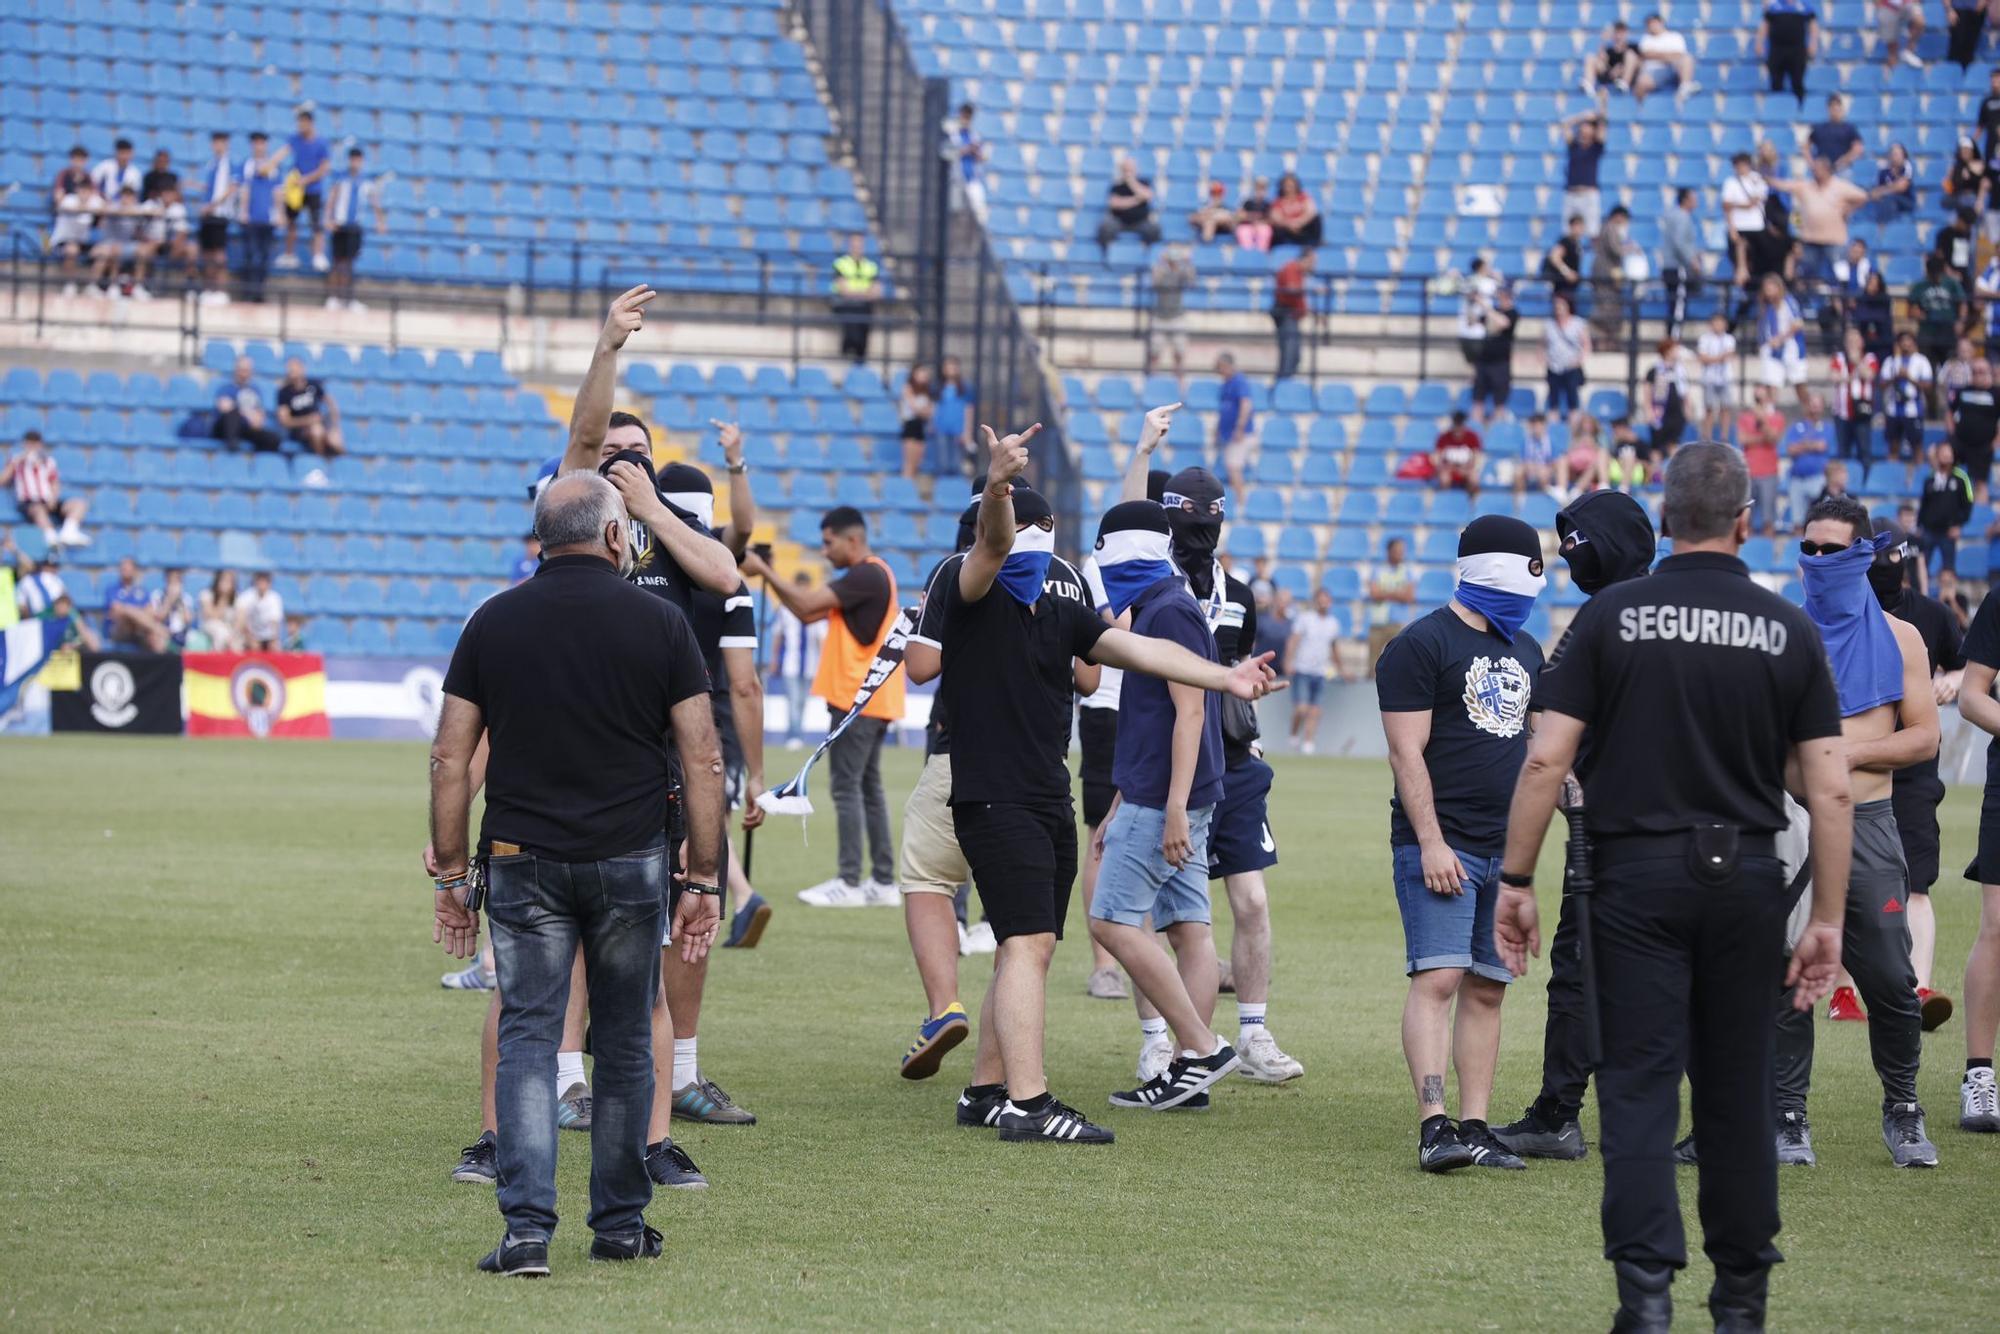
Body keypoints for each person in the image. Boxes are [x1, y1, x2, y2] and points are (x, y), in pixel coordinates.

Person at [1493, 443, 1852, 1331]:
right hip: (1748, 879)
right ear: (1745, 521)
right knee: (1737, 1093)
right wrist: (1831, 918)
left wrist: (1514, 880)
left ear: (1667, 516)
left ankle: (1646, 1298)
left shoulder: (1612, 617)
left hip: (1634, 878)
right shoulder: (1788, 628)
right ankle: (1739, 1301)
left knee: (1641, 1090)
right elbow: (1832, 785)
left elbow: (1546, 756)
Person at [936, 425, 1282, 1144]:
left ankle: (984, 1090)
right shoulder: (968, 588)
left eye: (1045, 528)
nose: (1034, 542)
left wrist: (1226, 676)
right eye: (1022, 528)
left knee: (1024, 945)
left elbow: (1142, 650)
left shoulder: (1061, 608)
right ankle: (1029, 1107)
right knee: (1028, 943)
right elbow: (994, 548)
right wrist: (999, 487)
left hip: (1046, 794)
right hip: (993, 794)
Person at [429, 470, 722, 1276]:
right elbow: (702, 757)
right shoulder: (660, 622)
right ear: (616, 535)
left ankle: (527, 1232)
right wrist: (704, 879)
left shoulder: (494, 621)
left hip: (522, 862)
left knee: (529, 1038)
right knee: (626, 1041)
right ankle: (620, 1225)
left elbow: (451, 755)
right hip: (632, 862)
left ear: (541, 540)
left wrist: (450, 871)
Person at [1377, 515, 1547, 1173]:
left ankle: (1476, 1125)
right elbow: (1404, 751)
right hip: (1442, 845)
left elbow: (1538, 750)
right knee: (1440, 976)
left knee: (1488, 987)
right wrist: (1431, 842)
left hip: (1507, 856)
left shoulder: (1528, 650)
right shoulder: (1420, 645)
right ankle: (1434, 1125)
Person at [1492, 489, 1657, 1163]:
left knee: (1580, 970)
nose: (1566, 557)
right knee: (1691, 973)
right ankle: (1724, 1119)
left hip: (1614, 837)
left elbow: (1549, 736)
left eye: (1576, 543)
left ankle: (1559, 1113)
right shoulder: (1670, 611)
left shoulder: (1601, 621)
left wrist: (1518, 871)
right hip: (1706, 838)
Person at [1776, 496, 1939, 1167]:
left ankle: (1903, 1106)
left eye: (1831, 551)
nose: (1816, 562)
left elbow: (1925, 736)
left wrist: (1844, 753)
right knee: (1784, 972)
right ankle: (1788, 1116)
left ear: (1863, 555)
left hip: (1868, 820)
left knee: (1890, 978)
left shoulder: (1902, 639)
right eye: (1807, 549)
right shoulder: (1780, 631)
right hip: (1788, 821)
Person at [1085, 501, 1241, 1110]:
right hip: (1162, 791)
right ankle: (1189, 1073)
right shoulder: (1161, 604)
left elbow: (1191, 708)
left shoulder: (1167, 610)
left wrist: (1171, 805)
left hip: (1168, 797)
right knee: (1188, 927)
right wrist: (1125, 793)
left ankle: (1200, 1046)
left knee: (1111, 922)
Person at [753, 508, 903, 908]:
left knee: (846, 787)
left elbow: (803, 604)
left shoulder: (865, 575)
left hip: (857, 699)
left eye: (828, 542)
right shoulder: (875, 576)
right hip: (872, 697)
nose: (824, 551)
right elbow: (808, 612)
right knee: (868, 788)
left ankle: (850, 882)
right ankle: (883, 882)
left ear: (852, 540)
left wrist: (765, 573)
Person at [1871, 523, 1964, 1031]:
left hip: (1914, 769)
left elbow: (1969, 666)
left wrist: (1950, 679)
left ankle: (1919, 987)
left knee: (1917, 883)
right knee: (1847, 883)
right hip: (1858, 762)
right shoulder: (1848, 614)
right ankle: (1844, 990)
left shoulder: (1931, 615)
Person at [1, 430, 89, 549]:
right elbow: (3, 480)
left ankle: (69, 531)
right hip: (29, 502)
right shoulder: (16, 461)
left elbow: (54, 482)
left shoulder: (48, 462)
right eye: (30, 444)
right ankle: (50, 536)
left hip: (47, 499)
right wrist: (16, 462)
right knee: (38, 509)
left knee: (79, 504)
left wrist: (53, 498)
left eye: (35, 444)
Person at [323, 146, 385, 312]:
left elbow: (375, 202)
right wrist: (328, 218)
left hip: (355, 227)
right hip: (339, 225)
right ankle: (333, 298)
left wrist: (380, 222)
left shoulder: (367, 182)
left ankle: (348, 299)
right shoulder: (340, 178)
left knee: (349, 263)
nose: (355, 163)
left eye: (358, 159)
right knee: (336, 262)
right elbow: (332, 198)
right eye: (353, 159)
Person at [769, 572, 824, 748]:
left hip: (810, 664)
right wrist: (775, 659)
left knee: (802, 702)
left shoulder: (816, 607)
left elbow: (821, 638)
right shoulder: (786, 609)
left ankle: (797, 734)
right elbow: (778, 636)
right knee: (793, 700)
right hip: (791, 664)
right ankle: (793, 735)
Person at [1286, 585, 1343, 753]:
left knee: (1315, 710)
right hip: (1302, 669)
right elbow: (1294, 640)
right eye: (1320, 600)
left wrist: (1341, 668)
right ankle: (1294, 735)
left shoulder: (1333, 623)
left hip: (1320, 671)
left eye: (1326, 601)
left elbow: (1334, 648)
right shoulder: (1305, 618)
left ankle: (1308, 743)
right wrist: (1289, 660)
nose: (1323, 604)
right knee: (1301, 709)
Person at [275, 107, 332, 272]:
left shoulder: (321, 143)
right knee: (291, 222)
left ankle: (318, 255)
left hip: (313, 189)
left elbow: (324, 169)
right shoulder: (295, 139)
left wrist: (306, 180)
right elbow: (282, 153)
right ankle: (289, 254)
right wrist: (270, 164)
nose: (301, 125)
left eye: (304, 122)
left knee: (316, 224)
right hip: (296, 190)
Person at [1882, 331, 1936, 488]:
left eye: (1908, 340)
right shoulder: (1891, 361)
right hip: (1893, 409)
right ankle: (1891, 480)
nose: (1905, 344)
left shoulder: (1921, 361)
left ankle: (1918, 481)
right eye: (1902, 341)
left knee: (1917, 445)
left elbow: (1928, 386)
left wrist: (1909, 378)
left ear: (1914, 343)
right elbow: (1882, 384)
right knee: (1893, 444)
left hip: (1913, 410)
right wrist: (1895, 377)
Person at [1722, 152, 1775, 311]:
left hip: (1756, 227)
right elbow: (1727, 206)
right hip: (1740, 227)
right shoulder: (1730, 183)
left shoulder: (1756, 179)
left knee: (1760, 264)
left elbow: (1759, 198)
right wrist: (1732, 226)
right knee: (1741, 253)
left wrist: (1740, 204)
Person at [1829, 327, 1880, 487]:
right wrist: (1851, 376)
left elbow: (1869, 375)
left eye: (1855, 340)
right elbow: (1833, 376)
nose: (1851, 343)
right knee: (1843, 452)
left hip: (1862, 413)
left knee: (1864, 452)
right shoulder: (1838, 358)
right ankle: (1843, 484)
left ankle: (1865, 484)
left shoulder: (1870, 358)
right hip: (1842, 413)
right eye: (1849, 340)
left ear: (1862, 342)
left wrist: (1856, 361)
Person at [90, 186, 158, 300]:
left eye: (130, 196)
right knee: (116, 249)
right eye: (125, 196)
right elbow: (102, 210)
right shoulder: (113, 207)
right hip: (110, 244)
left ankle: (138, 287)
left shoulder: (137, 209)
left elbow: (155, 211)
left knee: (143, 251)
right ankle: (113, 286)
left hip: (128, 245)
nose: (127, 199)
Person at [236, 131, 280, 303]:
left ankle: (259, 292)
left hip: (267, 219)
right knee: (251, 255)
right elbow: (244, 190)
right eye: (256, 142)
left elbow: (277, 191)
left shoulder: (273, 167)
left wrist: (279, 213)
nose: (259, 145)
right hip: (251, 218)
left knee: (264, 257)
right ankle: (248, 292)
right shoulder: (247, 165)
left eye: (262, 142)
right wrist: (244, 212)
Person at [1737, 384, 1786, 536]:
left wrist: (1762, 421)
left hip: (1769, 473)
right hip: (1749, 472)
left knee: (1768, 520)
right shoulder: (1745, 417)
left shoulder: (1777, 417)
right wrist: (1762, 438)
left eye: (1761, 397)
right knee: (1746, 519)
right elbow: (1743, 439)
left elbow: (1773, 438)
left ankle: (1767, 555)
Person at [1757, 274, 1810, 410]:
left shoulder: (1789, 302)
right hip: (1773, 352)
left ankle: (1809, 414)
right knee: (1771, 385)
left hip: (1792, 349)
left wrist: (1780, 339)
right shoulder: (1766, 307)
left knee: (1799, 384)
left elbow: (1797, 323)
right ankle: (1770, 416)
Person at [1951, 356, 2000, 504]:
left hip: (1983, 446)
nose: (1977, 375)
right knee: (1951, 476)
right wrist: (1952, 433)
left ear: (1989, 373)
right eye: (1974, 372)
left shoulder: (1996, 394)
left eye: (1981, 372)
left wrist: (1996, 442)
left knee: (1980, 483)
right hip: (1960, 442)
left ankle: (1979, 514)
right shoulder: (1963, 391)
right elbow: (1949, 411)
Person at [275, 357, 344, 460]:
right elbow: (285, 421)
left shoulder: (314, 385)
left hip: (320, 421)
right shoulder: (284, 392)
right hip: (300, 429)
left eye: (295, 367)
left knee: (335, 440)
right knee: (316, 431)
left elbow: (331, 404)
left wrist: (334, 426)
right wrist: (307, 420)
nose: (292, 371)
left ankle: (342, 464)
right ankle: (321, 462)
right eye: (290, 368)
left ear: (303, 368)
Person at [1913, 257, 1969, 381]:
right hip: (1927, 330)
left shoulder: (1951, 283)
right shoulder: (1920, 285)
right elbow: (1911, 306)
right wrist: (1918, 313)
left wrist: (1960, 321)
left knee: (1949, 364)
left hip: (1947, 330)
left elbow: (1963, 303)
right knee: (1928, 366)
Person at [212, 355, 281, 453]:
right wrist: (247, 413)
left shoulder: (255, 391)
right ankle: (233, 452)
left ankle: (256, 463)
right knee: (232, 414)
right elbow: (225, 407)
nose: (244, 374)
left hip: (245, 429)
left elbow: (259, 418)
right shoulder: (226, 388)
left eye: (247, 370)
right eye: (241, 370)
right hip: (223, 429)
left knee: (273, 439)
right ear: (236, 370)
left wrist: (254, 418)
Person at [1470, 286, 1517, 426]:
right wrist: (1471, 302)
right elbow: (1472, 321)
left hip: (1500, 363)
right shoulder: (1492, 312)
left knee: (1499, 401)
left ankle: (1495, 430)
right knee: (1478, 398)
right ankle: (1477, 429)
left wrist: (1484, 304)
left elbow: (1502, 323)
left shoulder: (1512, 313)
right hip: (1484, 361)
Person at [830, 233, 881, 363]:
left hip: (863, 305)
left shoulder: (871, 266)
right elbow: (842, 289)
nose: (857, 247)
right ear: (849, 246)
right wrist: (863, 294)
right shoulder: (840, 263)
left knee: (864, 315)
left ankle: (859, 355)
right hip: (844, 303)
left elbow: (876, 291)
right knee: (852, 315)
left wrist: (857, 294)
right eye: (854, 244)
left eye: (860, 244)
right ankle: (848, 349)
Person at [1149, 244, 1196, 381]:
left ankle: (1179, 381)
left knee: (1179, 352)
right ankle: (1153, 380)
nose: (1174, 262)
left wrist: (1188, 262)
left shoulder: (1181, 273)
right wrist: (1161, 262)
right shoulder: (1161, 271)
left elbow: (1192, 281)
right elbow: (1155, 281)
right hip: (1160, 316)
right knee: (1154, 352)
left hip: (1177, 316)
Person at [1543, 291, 1590, 428]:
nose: (1558, 308)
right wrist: (1544, 358)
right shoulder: (1549, 324)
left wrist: (1578, 360)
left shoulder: (1577, 323)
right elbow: (1543, 344)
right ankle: (1554, 429)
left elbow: (1586, 344)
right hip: (1554, 367)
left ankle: (1573, 429)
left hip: (1571, 367)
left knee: (1572, 401)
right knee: (1553, 401)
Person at [104, 557, 171, 653]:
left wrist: (134, 613)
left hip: (139, 629)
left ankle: (161, 665)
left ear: (135, 571)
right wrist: (133, 611)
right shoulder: (112, 589)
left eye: (128, 569)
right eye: (123, 569)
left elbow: (150, 612)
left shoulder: (142, 591)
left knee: (156, 638)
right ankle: (158, 629)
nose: (125, 571)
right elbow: (117, 610)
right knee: (127, 612)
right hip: (119, 629)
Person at [1784, 395, 1832, 528]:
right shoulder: (1796, 426)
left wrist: (1803, 445)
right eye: (1812, 404)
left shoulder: (1827, 427)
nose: (1815, 408)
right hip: (1797, 480)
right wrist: (1812, 445)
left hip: (1817, 478)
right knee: (1797, 522)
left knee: (1820, 521)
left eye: (1818, 405)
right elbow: (1791, 449)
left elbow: (1822, 445)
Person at [1759, 0, 1820, 104]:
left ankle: (1799, 108)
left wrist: (1813, 43)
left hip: (1797, 51)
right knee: (1776, 82)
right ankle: (1776, 106)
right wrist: (1759, 43)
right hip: (1777, 50)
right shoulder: (1774, 6)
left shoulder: (1804, 5)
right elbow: (1765, 25)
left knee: (1797, 81)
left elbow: (1813, 26)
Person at [1095, 156, 1161, 253]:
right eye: (1126, 169)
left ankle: (1148, 255)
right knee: (1104, 228)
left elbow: (1147, 196)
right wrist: (1137, 199)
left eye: (1131, 169)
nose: (1128, 172)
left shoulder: (1144, 183)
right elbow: (1114, 204)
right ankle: (1107, 254)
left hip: (1140, 222)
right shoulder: (1117, 186)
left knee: (1154, 229)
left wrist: (1132, 182)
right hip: (1119, 222)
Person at [1633, 12, 1699, 106]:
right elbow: (1646, 54)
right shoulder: (1646, 38)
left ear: (1661, 23)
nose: (1652, 26)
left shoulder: (1675, 36)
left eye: (1654, 22)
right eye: (1649, 24)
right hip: (1654, 71)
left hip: (1673, 69)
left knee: (1687, 58)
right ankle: (1642, 111)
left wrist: (1657, 55)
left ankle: (1684, 87)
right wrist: (1668, 55)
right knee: (1641, 83)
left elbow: (1679, 55)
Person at [1640, 337, 1688, 466]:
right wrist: (1648, 410)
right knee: (1657, 447)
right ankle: (1656, 475)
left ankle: (1674, 472)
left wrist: (1687, 408)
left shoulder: (1679, 371)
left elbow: (1684, 393)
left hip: (1675, 414)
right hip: (1659, 414)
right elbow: (1647, 393)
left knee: (1674, 444)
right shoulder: (1654, 371)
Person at [1590, 206, 1635, 341]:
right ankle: (1603, 339)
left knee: (1611, 306)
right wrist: (1630, 248)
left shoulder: (1607, 228)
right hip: (1605, 274)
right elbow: (1616, 250)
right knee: (1606, 307)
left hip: (1608, 274)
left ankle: (1608, 338)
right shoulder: (1610, 228)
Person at [1558, 113, 1606, 238]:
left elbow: (1602, 126)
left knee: (1592, 231)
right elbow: (1564, 125)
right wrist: (1581, 117)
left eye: (1588, 126)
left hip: (1588, 194)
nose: (1584, 129)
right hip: (1571, 193)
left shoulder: (1596, 147)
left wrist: (1600, 109)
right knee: (1568, 232)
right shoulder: (1574, 146)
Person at [930, 356, 976, 479]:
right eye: (947, 366)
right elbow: (934, 407)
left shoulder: (966, 387)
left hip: (958, 430)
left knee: (956, 463)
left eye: (953, 366)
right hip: (941, 428)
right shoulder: (938, 386)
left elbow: (969, 410)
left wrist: (967, 432)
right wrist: (933, 423)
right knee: (942, 463)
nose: (951, 369)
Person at [1695, 309, 1738, 441]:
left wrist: (1713, 358)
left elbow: (1729, 356)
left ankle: (1724, 437)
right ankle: (1707, 436)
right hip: (1710, 379)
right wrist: (1719, 358)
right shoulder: (1704, 339)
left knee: (1725, 408)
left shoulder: (1730, 339)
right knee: (1709, 409)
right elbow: (1703, 359)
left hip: (1725, 378)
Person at [942, 102, 988, 223]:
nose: (966, 120)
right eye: (964, 116)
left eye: (968, 117)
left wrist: (976, 152)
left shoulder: (974, 136)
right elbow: (946, 153)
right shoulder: (952, 135)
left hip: (971, 179)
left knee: (979, 210)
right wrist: (965, 150)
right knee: (955, 212)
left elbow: (983, 158)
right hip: (956, 179)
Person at [1270, 248, 1312, 382]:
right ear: (1305, 259)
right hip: (1286, 312)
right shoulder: (1291, 268)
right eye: (1312, 261)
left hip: (1292, 314)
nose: (1313, 265)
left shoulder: (1299, 272)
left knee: (1294, 353)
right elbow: (1291, 290)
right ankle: (1282, 383)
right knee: (1289, 352)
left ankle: (1286, 381)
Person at [1582, 19, 1641, 102]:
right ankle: (1589, 85)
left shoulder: (1634, 47)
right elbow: (1602, 60)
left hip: (1627, 75)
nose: (1619, 35)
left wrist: (1621, 69)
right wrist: (1603, 41)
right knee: (1590, 57)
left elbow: (1639, 63)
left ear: (1626, 33)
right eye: (1617, 32)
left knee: (1630, 55)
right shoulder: (1609, 50)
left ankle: (1624, 83)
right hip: (1611, 75)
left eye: (1622, 32)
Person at [1807, 94, 1864, 175]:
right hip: (1822, 170)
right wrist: (1812, 163)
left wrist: (1844, 160)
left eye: (1837, 107)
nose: (1835, 110)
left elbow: (1858, 148)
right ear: (1828, 109)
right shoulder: (1819, 128)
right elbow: (1806, 146)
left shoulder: (1849, 128)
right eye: (1832, 107)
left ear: (1841, 108)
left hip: (1842, 170)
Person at [1432, 410, 1484, 495]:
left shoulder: (1472, 437)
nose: (1458, 430)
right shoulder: (1443, 437)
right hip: (1449, 469)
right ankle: (1445, 500)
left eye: (1460, 426)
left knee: (1474, 478)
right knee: (1444, 478)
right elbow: (1436, 457)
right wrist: (1444, 468)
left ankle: (1471, 503)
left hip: (1466, 469)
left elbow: (1477, 457)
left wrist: (1468, 469)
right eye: (1456, 426)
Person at [1542, 213, 1587, 305]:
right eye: (1578, 225)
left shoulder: (1577, 244)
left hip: (1571, 287)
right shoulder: (1565, 241)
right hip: (1562, 285)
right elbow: (1555, 257)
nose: (1581, 229)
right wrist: (1566, 272)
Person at [899, 364, 934, 479]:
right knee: (909, 462)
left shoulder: (927, 391)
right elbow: (914, 408)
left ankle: (910, 487)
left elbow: (929, 412)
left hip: (921, 426)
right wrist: (923, 411)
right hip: (911, 425)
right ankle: (905, 487)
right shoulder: (908, 388)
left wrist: (924, 412)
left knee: (917, 463)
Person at [1267, 172, 1321, 248]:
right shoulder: (1278, 201)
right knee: (1276, 227)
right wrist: (1289, 224)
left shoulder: (1303, 196)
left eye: (1291, 184)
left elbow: (1311, 211)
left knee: (1317, 218)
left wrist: (1299, 222)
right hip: (1287, 230)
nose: (1289, 187)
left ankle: (1314, 243)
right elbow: (1275, 216)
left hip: (1303, 227)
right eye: (1286, 185)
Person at [1559, 414, 1608, 495]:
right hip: (1575, 466)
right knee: (1562, 458)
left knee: (1594, 464)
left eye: (1589, 423)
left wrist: (1593, 445)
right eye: (1585, 423)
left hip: (1593, 467)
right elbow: (1568, 451)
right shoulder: (1575, 437)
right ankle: (1561, 490)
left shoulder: (1600, 436)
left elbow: (1606, 451)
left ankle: (1578, 490)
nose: (1587, 426)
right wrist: (1578, 444)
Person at [235, 570, 284, 651]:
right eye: (260, 581)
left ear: (269, 583)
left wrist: (274, 640)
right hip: (248, 635)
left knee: (276, 647)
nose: (262, 585)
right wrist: (250, 638)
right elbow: (241, 620)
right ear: (255, 582)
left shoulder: (275, 598)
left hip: (267, 637)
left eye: (265, 582)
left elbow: (275, 622)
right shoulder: (246, 597)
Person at [199, 570, 243, 651]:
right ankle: (216, 659)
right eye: (224, 580)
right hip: (210, 625)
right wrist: (223, 597)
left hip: (230, 629)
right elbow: (212, 616)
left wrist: (234, 633)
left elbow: (240, 620)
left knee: (237, 642)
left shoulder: (237, 598)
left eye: (230, 581)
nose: (227, 584)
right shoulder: (207, 594)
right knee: (221, 633)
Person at [1876, 0, 1926, 68]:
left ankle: (1908, 52)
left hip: (1908, 3)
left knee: (1919, 22)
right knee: (1892, 57)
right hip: (1888, 6)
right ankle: (1893, 62)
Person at [1518, 411, 1557, 494]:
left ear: (1544, 426)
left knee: (1543, 474)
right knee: (1518, 473)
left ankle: (1543, 500)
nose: (1537, 428)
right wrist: (1531, 467)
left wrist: (1544, 469)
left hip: (1545, 469)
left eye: (1539, 425)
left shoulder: (1550, 442)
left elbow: (1554, 462)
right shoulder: (1525, 441)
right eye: (1534, 425)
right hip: (1530, 468)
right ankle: (1520, 500)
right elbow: (1524, 460)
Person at [1945, 0, 1991, 70]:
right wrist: (1949, 9)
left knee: (1969, 48)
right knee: (1957, 46)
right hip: (1958, 11)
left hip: (1976, 12)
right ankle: (1952, 73)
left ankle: (1966, 74)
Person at [1235, 176, 1273, 251]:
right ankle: (1248, 255)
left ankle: (1261, 254)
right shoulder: (1247, 202)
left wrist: (1259, 222)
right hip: (1248, 226)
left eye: (1263, 187)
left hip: (1262, 226)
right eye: (1258, 187)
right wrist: (1252, 219)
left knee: (1265, 230)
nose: (1260, 190)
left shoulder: (1268, 204)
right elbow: (1240, 216)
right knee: (1243, 231)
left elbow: (1271, 219)